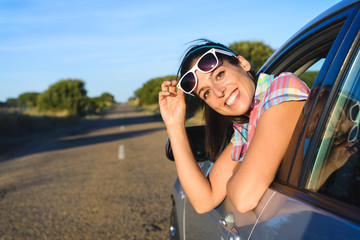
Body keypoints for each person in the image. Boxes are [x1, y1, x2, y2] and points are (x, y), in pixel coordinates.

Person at [159, 40, 310, 214]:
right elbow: (204, 201)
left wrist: (237, 172)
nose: (218, 92)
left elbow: (244, 198)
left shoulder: (282, 90)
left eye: (219, 75)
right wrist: (174, 124)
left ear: (243, 63)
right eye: (206, 92)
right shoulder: (245, 127)